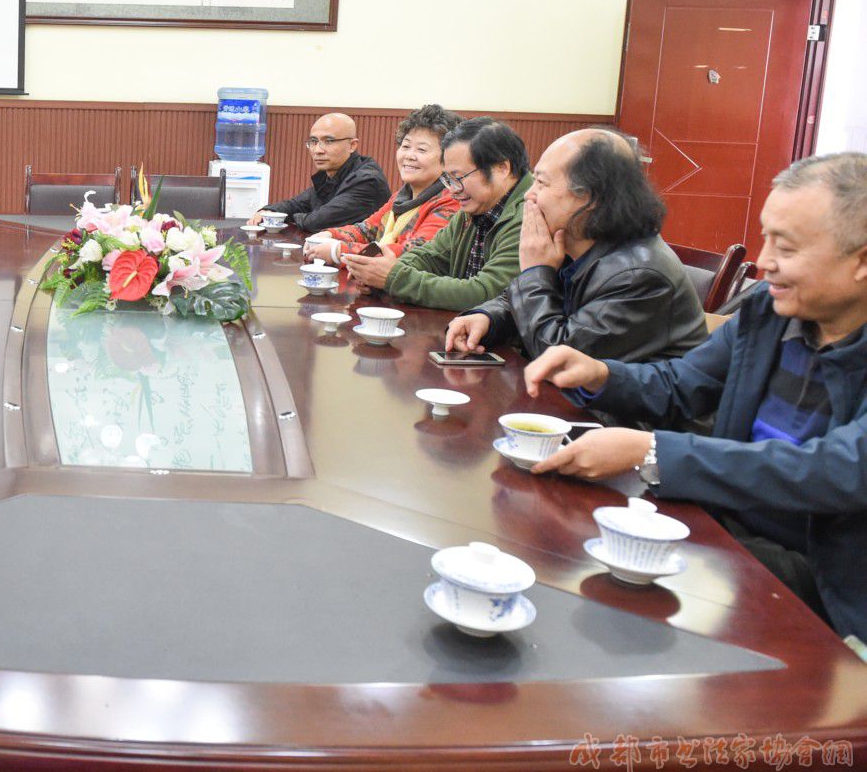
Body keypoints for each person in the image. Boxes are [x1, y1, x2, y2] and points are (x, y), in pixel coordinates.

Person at [524, 153, 867, 641]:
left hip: (828, 583)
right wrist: (602, 374)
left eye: (785, 247)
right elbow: (682, 384)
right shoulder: (769, 313)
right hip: (723, 533)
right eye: (765, 236)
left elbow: (839, 469)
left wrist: (654, 452)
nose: (763, 262)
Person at [444, 128, 707, 363]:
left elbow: (558, 356)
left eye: (542, 183)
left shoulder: (639, 276)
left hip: (618, 417)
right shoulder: (577, 242)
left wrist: (534, 273)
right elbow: (530, 307)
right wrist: (488, 318)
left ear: (590, 197)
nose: (528, 194)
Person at [343, 116, 533, 310]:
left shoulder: (530, 215)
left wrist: (393, 278)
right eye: (448, 179)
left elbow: (486, 293)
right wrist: (380, 270)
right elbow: (431, 255)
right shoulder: (475, 206)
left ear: (501, 168)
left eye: (459, 177)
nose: (453, 190)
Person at [304, 104, 462, 261]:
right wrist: (329, 235)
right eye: (405, 146)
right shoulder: (402, 196)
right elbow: (367, 230)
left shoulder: (450, 201)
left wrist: (338, 251)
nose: (409, 155)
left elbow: (414, 253)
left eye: (421, 150)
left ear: (448, 158)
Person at [247, 112, 389, 232]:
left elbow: (316, 222)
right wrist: (269, 211)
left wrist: (281, 219)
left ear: (352, 145)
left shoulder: (367, 180)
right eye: (313, 141)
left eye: (328, 141)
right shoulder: (332, 172)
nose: (318, 150)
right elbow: (297, 204)